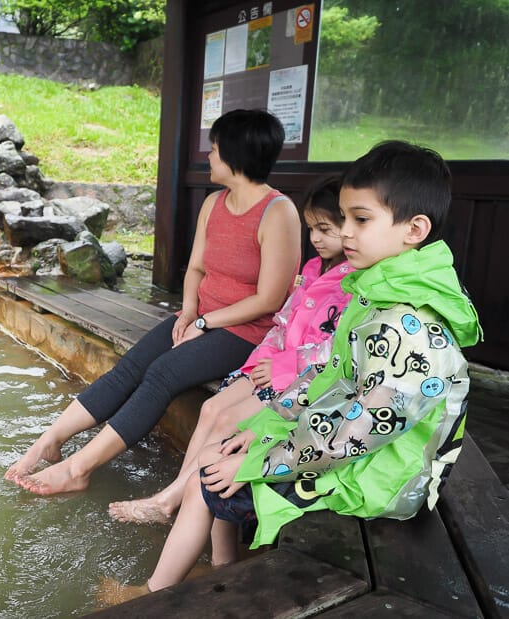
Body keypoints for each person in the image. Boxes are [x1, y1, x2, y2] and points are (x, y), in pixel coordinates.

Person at [105, 140, 483, 599]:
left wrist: (266, 454)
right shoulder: (379, 294)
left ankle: (152, 594)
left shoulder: (406, 320)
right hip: (351, 446)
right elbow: (332, 375)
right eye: (344, 218)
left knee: (213, 475)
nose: (346, 233)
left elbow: (359, 431)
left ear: (414, 229)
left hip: (384, 474)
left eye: (361, 220)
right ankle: (222, 570)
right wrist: (272, 422)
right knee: (219, 454)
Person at [4, 109, 301, 495]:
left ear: (234, 154)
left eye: (213, 149)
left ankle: (80, 468)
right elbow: (195, 269)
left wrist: (205, 325)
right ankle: (51, 440)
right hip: (201, 317)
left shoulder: (279, 212)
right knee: (130, 368)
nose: (208, 157)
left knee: (162, 374)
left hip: (245, 331)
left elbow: (269, 299)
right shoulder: (214, 204)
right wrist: (191, 312)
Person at [108, 175, 354, 525]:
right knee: (210, 409)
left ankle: (168, 500)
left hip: (297, 379)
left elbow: (335, 347)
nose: (315, 238)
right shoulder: (314, 269)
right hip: (270, 364)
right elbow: (283, 321)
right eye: (312, 228)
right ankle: (178, 490)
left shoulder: (350, 282)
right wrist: (264, 357)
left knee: (224, 419)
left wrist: (281, 366)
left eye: (326, 229)